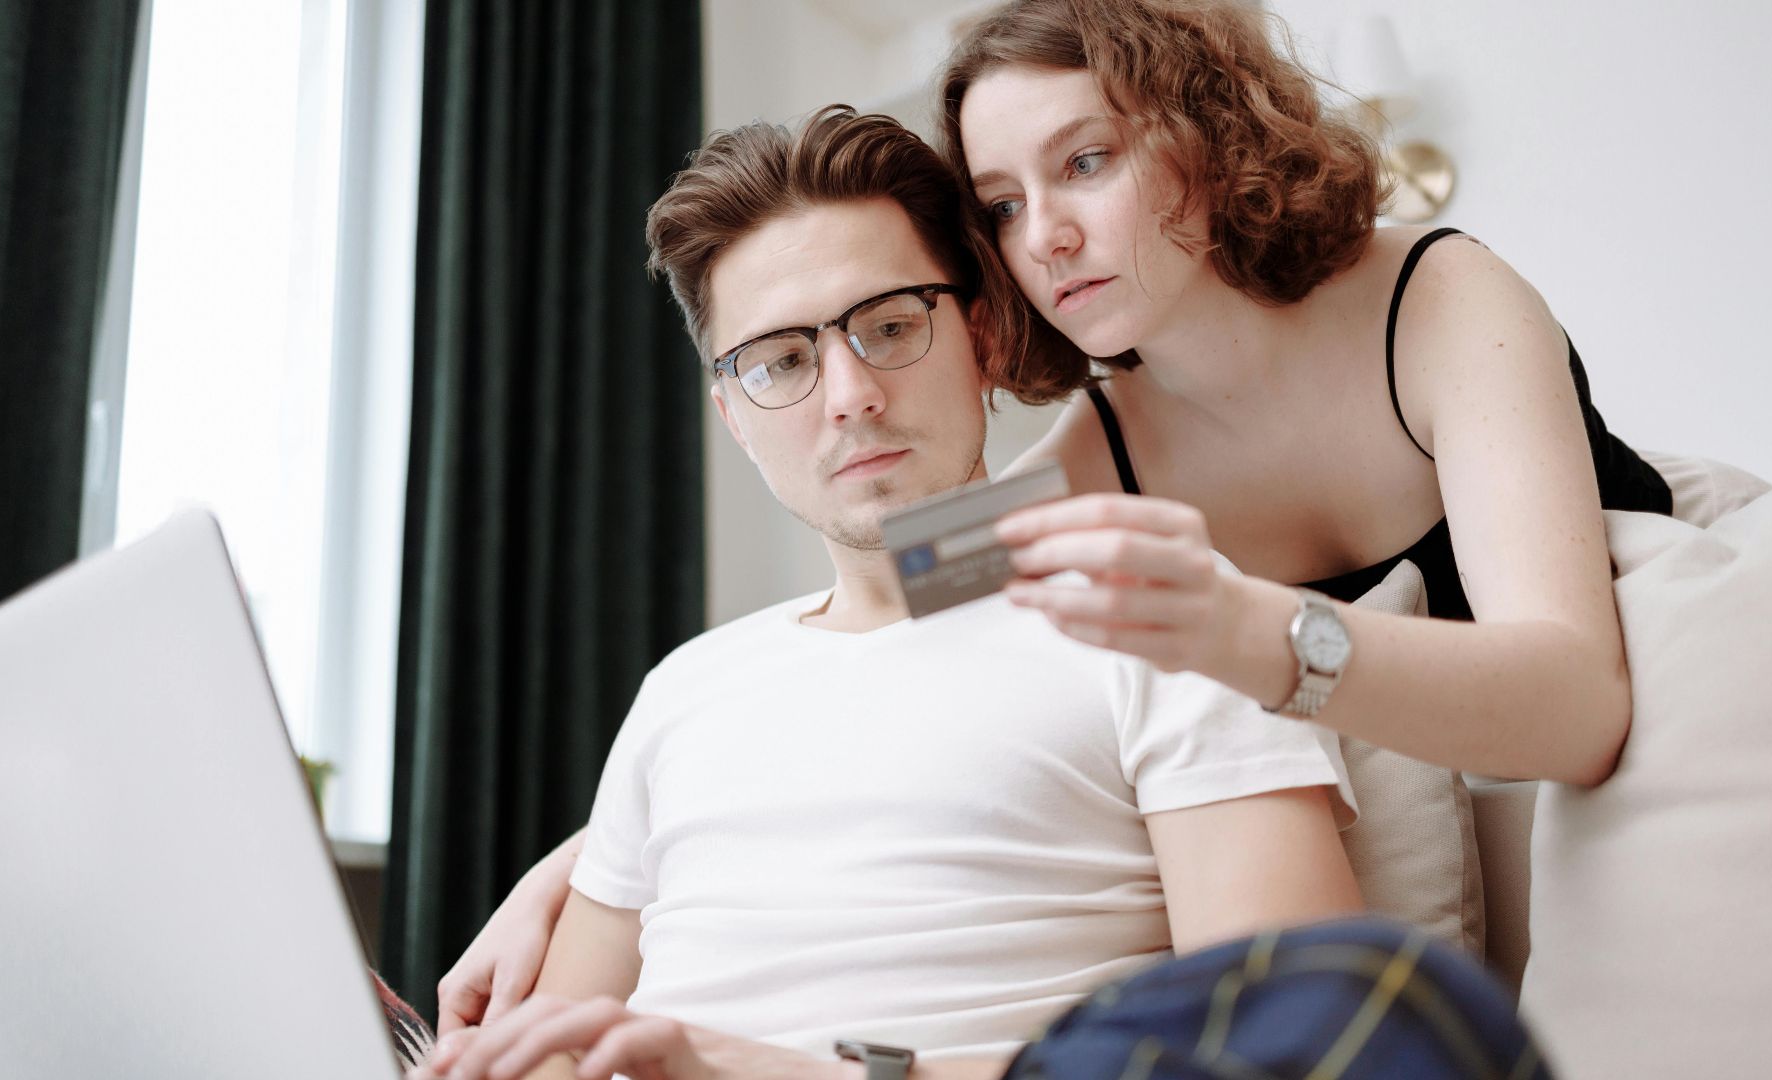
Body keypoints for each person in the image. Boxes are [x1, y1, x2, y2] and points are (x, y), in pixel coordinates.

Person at [413, 105, 1363, 1079]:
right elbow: (550, 1055)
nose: (849, 395)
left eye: (892, 327)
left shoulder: (1169, 616)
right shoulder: (686, 689)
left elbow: (1294, 1055)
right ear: (734, 417)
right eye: (782, 361)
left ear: (982, 336)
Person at [939, 0, 1674, 788]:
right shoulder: (1093, 459)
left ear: (1208, 132)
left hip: (1688, 736)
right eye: (1003, 207)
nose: (1043, 238)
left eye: (1085, 162)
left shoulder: (1441, 300)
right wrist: (921, 361)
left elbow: (1581, 719)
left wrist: (1247, 633)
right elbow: (899, 574)